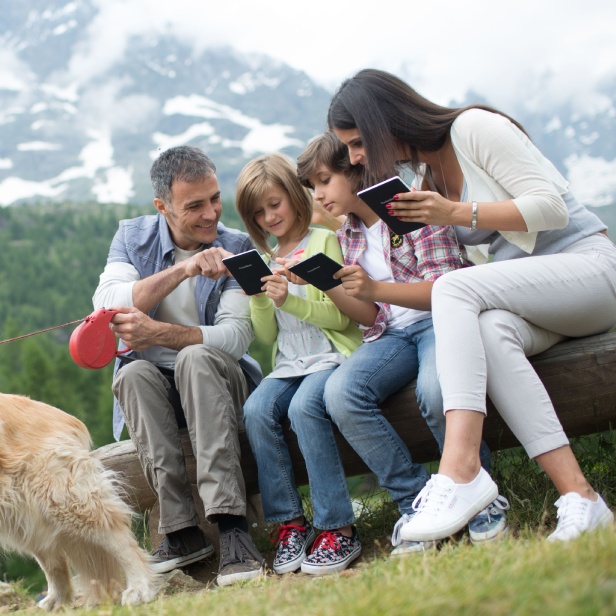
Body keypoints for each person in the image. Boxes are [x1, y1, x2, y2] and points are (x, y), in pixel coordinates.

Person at [326, 68, 616, 543]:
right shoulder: (424, 175)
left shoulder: (474, 128)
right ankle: (581, 498)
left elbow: (552, 208)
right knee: (488, 333)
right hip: (533, 301)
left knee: (452, 288)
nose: (355, 157)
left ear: (383, 123)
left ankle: (460, 469)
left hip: (588, 271)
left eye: (357, 142)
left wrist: (454, 212)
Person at [293, 132, 503, 555]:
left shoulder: (411, 208)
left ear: (356, 171)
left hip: (441, 322)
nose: (318, 195)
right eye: (312, 186)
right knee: (340, 393)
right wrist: (326, 281)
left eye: (325, 181)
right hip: (392, 334)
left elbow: (447, 290)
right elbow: (371, 316)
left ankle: (478, 494)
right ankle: (415, 502)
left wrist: (374, 288)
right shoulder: (349, 233)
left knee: (436, 390)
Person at [92, 145, 265, 586]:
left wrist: (159, 334)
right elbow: (107, 303)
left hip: (219, 381)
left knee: (195, 357)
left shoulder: (236, 246)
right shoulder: (132, 237)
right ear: (163, 207)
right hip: (159, 389)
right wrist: (184, 270)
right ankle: (181, 531)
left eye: (215, 199)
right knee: (132, 373)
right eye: (194, 206)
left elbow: (235, 338)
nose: (211, 214)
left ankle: (232, 528)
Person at [233, 153, 364, 576]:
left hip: (331, 355)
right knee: (256, 410)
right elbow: (266, 337)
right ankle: (289, 523)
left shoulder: (323, 242)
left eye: (275, 204)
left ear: (294, 195)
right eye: (259, 212)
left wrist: (290, 299)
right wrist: (259, 298)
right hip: (291, 363)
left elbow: (340, 317)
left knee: (305, 407)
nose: (269, 217)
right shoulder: (268, 257)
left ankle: (338, 526)